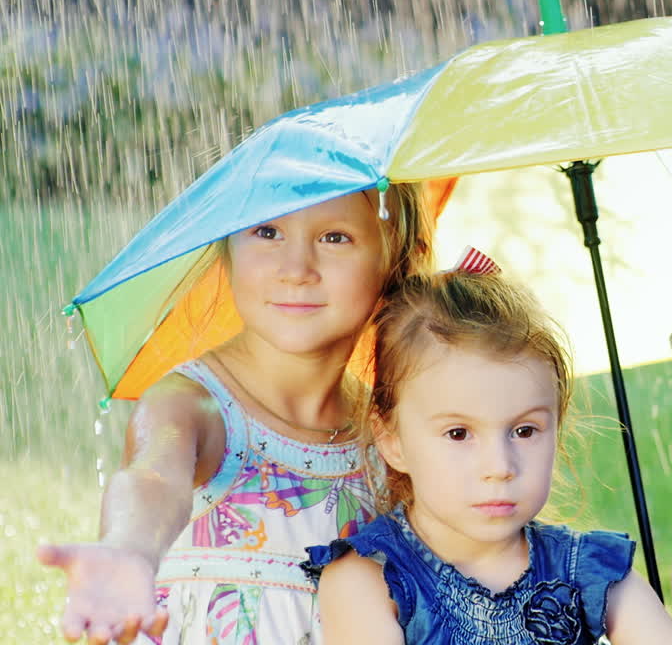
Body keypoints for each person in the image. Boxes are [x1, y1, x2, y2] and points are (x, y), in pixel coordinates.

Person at [36, 183, 436, 645]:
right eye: (267, 231)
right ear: (226, 250)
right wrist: (129, 549)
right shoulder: (193, 405)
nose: (296, 270)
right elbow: (153, 479)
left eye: (335, 238)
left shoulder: (389, 431)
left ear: (399, 259)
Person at [302, 264, 672, 645]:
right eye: (458, 433)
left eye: (524, 431)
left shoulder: (588, 569)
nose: (500, 467)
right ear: (392, 441)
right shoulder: (369, 580)